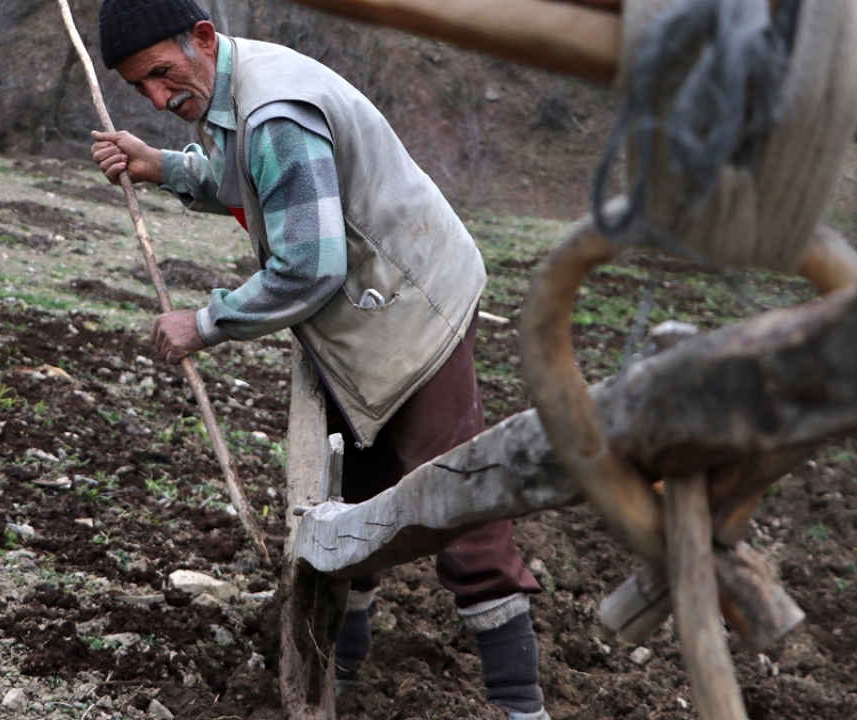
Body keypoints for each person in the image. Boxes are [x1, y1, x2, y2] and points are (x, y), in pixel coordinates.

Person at [90, 2, 549, 718]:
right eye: (137, 88)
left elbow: (309, 265)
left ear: (203, 40)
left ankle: (522, 707)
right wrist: (166, 167)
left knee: (466, 512)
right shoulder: (238, 87)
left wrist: (205, 323)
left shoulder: (274, 111)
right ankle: (342, 682)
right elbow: (262, 182)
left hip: (411, 312)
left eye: (161, 74)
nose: (156, 97)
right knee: (353, 505)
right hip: (359, 321)